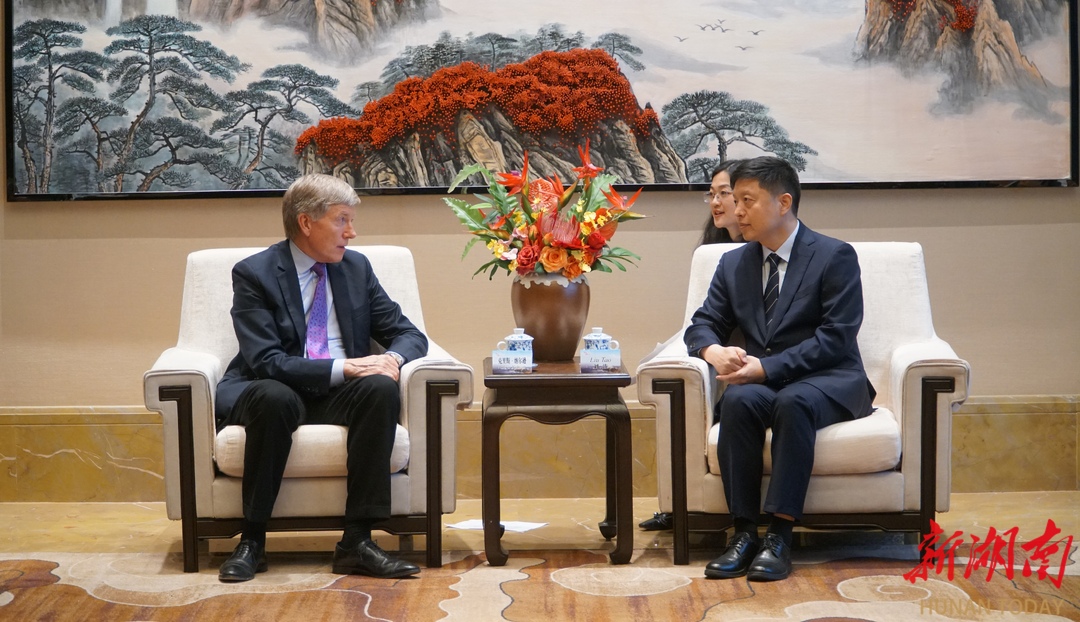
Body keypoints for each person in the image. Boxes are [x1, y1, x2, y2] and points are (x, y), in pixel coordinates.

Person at [214, 173, 428, 583]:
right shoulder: (255, 273)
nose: (352, 232)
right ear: (306, 222)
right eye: (342, 219)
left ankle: (357, 542)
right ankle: (252, 541)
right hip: (276, 387)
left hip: (338, 393)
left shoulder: (356, 268)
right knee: (274, 397)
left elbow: (409, 335)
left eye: (351, 221)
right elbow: (265, 360)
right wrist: (346, 367)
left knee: (379, 387)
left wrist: (391, 359)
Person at [683, 156, 875, 582]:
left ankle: (780, 536)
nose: (736, 211)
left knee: (793, 401)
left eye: (747, 200)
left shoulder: (833, 256)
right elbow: (702, 323)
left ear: (783, 202)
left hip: (828, 379)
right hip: (763, 380)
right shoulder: (734, 263)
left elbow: (836, 338)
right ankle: (743, 533)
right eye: (735, 200)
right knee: (738, 400)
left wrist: (766, 368)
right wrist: (712, 350)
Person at [639, 159, 746, 533]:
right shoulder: (714, 251)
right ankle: (677, 504)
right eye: (711, 194)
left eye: (724, 194)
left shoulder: (770, 251)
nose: (716, 203)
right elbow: (704, 319)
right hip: (714, 348)